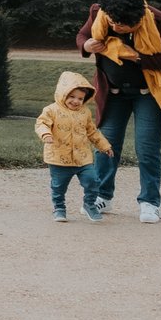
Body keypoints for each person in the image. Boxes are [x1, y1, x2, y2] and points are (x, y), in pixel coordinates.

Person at [76, 0, 161, 222]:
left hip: (149, 93)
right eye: (113, 22)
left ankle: (150, 202)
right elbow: (82, 36)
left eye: (123, 25)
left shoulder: (158, 20)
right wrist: (87, 46)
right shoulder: (99, 13)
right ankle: (102, 196)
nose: (117, 27)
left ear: (139, 19)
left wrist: (139, 57)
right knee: (106, 146)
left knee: (147, 148)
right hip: (114, 93)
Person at [35, 71, 112, 222]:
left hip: (82, 158)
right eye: (72, 97)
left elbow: (92, 132)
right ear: (62, 94)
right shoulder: (51, 110)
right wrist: (46, 134)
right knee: (59, 186)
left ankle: (90, 204)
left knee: (92, 180)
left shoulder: (85, 112)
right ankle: (59, 208)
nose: (76, 101)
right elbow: (41, 123)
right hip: (58, 158)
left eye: (80, 98)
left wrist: (104, 146)